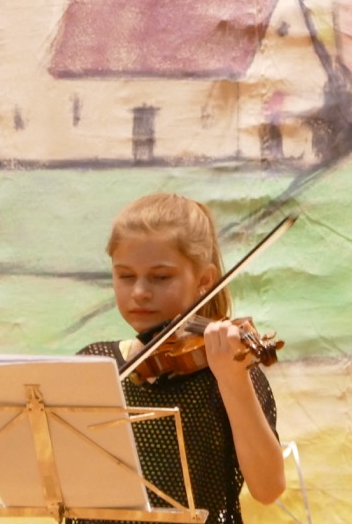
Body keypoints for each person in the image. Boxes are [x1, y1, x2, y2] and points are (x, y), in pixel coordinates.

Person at [69, 193, 286, 524]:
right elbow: (13, 467)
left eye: (160, 277)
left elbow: (268, 488)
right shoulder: (95, 364)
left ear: (204, 281)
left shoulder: (227, 370)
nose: (139, 291)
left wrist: (233, 380)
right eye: (125, 275)